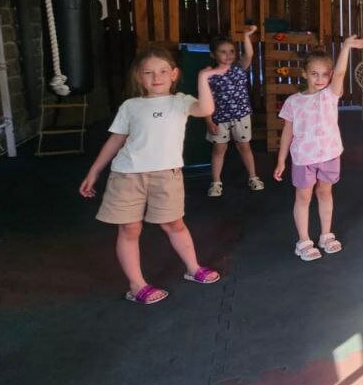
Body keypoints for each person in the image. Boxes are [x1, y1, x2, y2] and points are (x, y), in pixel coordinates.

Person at [79, 46, 224, 305]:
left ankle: (193, 268)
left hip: (166, 175)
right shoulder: (130, 106)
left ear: (174, 74)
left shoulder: (180, 101)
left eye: (163, 71)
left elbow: (205, 109)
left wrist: (203, 78)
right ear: (139, 76)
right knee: (130, 228)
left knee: (174, 224)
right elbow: (116, 140)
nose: (156, 77)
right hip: (127, 175)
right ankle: (137, 285)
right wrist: (94, 171)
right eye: (148, 73)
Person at [274, 34, 363, 261]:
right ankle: (303, 241)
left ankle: (326, 235)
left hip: (329, 154)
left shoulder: (330, 95)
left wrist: (346, 47)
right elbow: (287, 132)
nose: (320, 79)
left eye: (325, 74)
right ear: (305, 74)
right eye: (314, 74)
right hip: (303, 158)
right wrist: (281, 160)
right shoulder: (293, 102)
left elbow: (341, 73)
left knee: (325, 193)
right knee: (303, 197)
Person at [205, 25, 263, 197]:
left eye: (231, 51)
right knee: (219, 149)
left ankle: (253, 177)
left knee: (244, 146)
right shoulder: (209, 74)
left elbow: (249, 55)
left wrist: (246, 36)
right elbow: (205, 100)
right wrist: (209, 120)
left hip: (241, 116)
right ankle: (216, 182)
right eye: (223, 52)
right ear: (213, 54)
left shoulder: (238, 68)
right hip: (219, 118)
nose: (228, 55)